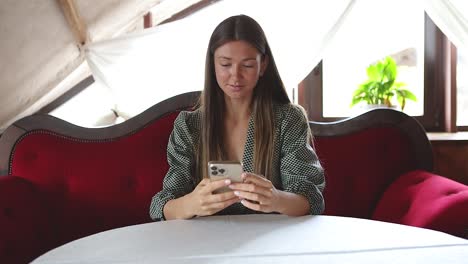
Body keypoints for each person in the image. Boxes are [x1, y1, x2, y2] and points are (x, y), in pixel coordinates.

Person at [149, 14, 325, 221]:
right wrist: (192, 203)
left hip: (273, 242)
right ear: (212, 65)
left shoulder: (287, 119)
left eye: (248, 65)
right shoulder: (189, 126)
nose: (235, 75)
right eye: (225, 64)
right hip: (205, 243)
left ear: (263, 65)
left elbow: (310, 199)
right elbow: (163, 205)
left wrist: (276, 199)